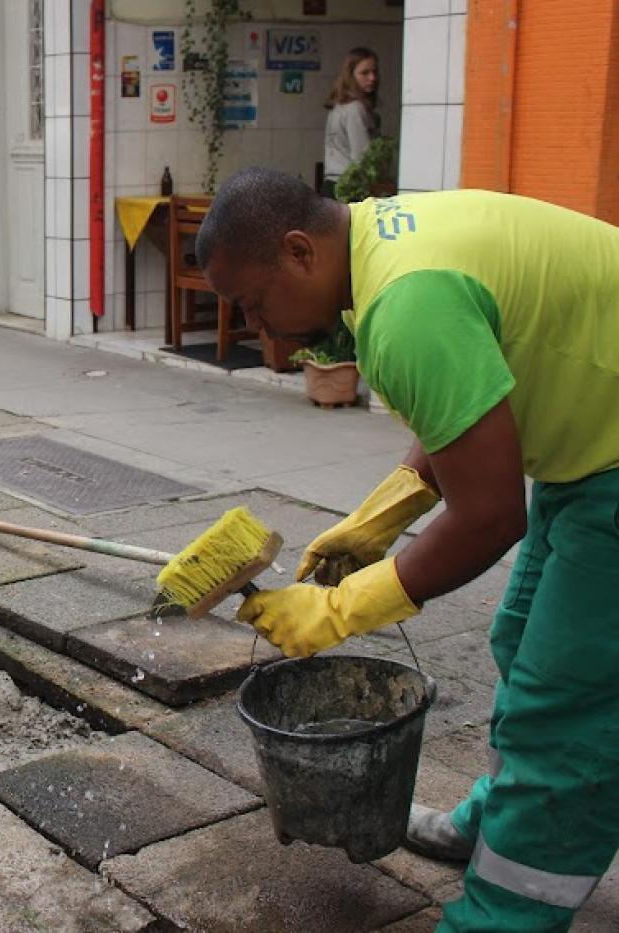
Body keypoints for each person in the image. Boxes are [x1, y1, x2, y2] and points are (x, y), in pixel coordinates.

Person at [195, 167, 619, 931]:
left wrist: (339, 609)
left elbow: (490, 517)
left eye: (256, 307)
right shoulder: (375, 245)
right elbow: (467, 395)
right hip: (592, 447)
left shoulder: (404, 304)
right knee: (520, 640)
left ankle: (502, 915)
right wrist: (383, 516)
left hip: (609, 465)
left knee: (567, 703)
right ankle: (497, 819)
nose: (266, 338)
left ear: (298, 251)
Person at [322, 47, 381, 197]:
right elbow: (363, 158)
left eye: (374, 72)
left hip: (332, 183)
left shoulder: (339, 107)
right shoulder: (355, 109)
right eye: (365, 73)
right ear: (350, 76)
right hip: (349, 187)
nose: (372, 78)